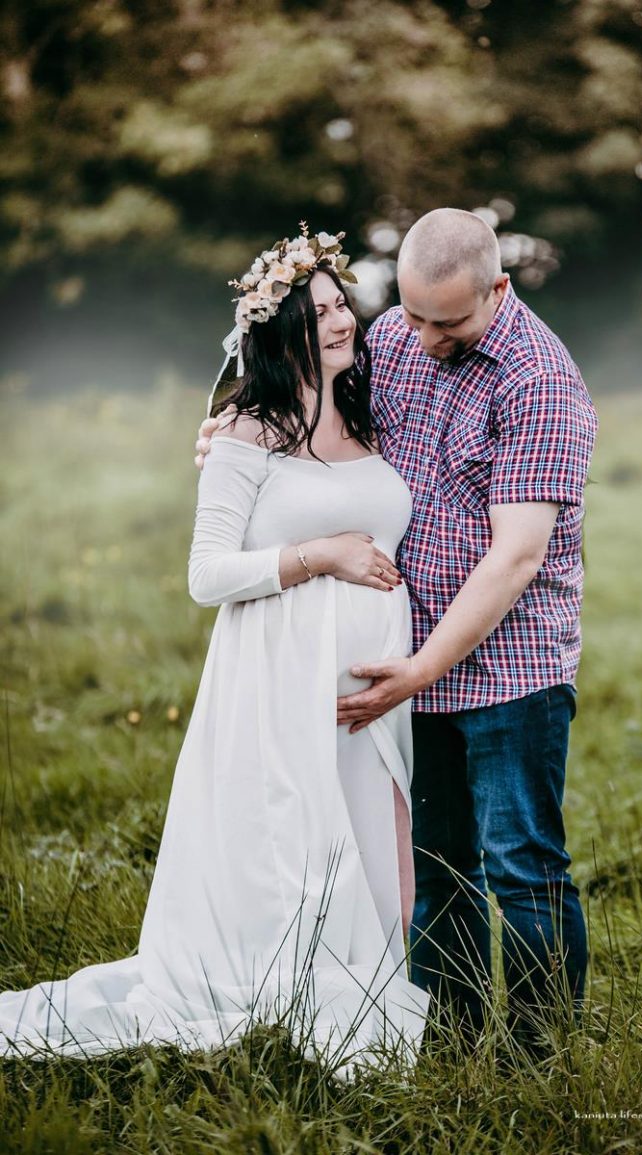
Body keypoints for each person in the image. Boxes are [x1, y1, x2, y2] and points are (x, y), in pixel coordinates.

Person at [0, 225, 429, 1075]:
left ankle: (377, 985)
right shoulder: (245, 431)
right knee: (297, 843)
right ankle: (290, 990)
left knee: (382, 837)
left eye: (341, 304)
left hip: (376, 682)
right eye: (318, 311)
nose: (340, 320)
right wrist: (321, 555)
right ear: (281, 330)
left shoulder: (368, 413)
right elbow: (206, 575)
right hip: (280, 674)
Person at [198, 207, 598, 1052]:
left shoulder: (540, 381)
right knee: (440, 866)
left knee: (523, 864)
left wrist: (419, 669)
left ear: (498, 288)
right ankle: (447, 1039)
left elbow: (516, 557)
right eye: (411, 315)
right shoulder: (396, 340)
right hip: (409, 663)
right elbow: (313, 421)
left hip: (509, 668)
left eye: (446, 322)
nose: (422, 338)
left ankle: (542, 1056)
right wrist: (227, 437)